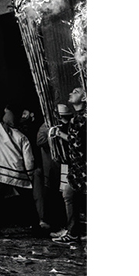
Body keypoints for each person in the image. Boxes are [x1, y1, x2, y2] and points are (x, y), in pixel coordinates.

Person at [0, 107, 36, 237]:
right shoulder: (21, 136)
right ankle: (35, 226)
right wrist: (30, 173)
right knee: (28, 200)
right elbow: (29, 159)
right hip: (17, 172)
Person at [50, 91, 87, 241]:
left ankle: (73, 231)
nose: (71, 93)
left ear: (84, 98)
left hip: (83, 166)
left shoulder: (83, 118)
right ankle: (74, 231)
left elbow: (76, 141)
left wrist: (59, 134)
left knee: (69, 194)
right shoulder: (77, 118)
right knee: (69, 194)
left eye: (76, 92)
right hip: (77, 166)